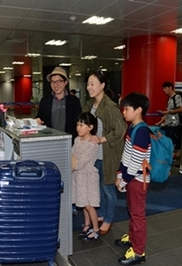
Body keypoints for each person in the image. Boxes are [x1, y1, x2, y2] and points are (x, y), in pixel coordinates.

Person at [83, 70, 127, 235]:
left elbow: (121, 129)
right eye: (88, 84)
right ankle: (100, 214)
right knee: (98, 186)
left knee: (108, 188)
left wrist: (102, 139)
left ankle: (108, 219)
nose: (89, 87)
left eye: (92, 84)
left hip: (108, 154)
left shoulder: (109, 107)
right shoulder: (90, 105)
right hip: (95, 154)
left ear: (102, 85)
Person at [114, 92, 151, 265]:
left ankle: (139, 251)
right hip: (131, 178)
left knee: (137, 214)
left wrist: (124, 179)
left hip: (138, 180)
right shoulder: (132, 127)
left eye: (127, 109)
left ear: (138, 110)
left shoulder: (142, 131)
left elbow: (136, 162)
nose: (124, 112)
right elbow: (127, 154)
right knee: (132, 210)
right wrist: (120, 173)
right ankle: (133, 238)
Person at [72, 112, 100, 241]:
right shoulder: (77, 139)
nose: (78, 128)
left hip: (88, 177)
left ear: (90, 127)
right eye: (77, 124)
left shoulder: (93, 143)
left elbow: (79, 162)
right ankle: (87, 225)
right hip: (78, 177)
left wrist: (72, 161)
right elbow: (73, 155)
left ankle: (95, 229)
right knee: (82, 203)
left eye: (82, 125)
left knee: (89, 205)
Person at [35, 66, 81, 141]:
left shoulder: (74, 101)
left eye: (58, 82)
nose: (55, 85)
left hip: (69, 141)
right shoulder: (45, 100)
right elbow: (39, 117)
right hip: (49, 141)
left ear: (65, 82)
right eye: (52, 82)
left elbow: (78, 122)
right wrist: (37, 120)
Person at [156, 81, 182, 157]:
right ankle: (170, 156)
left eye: (165, 88)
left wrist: (168, 111)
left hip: (174, 123)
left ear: (170, 87)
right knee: (168, 140)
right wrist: (160, 122)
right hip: (168, 123)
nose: (164, 90)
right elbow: (167, 113)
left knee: (172, 141)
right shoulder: (169, 99)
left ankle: (173, 156)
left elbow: (180, 109)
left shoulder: (177, 97)